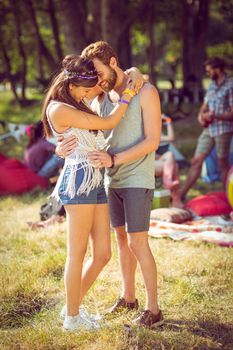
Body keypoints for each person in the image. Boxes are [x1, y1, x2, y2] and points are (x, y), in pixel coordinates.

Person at [57, 41, 163, 328]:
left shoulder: (145, 91)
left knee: (138, 242)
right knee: (121, 240)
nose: (99, 81)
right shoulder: (100, 100)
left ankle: (154, 310)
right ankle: (128, 297)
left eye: (102, 72)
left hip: (136, 178)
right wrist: (61, 146)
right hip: (109, 178)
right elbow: (80, 130)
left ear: (113, 62)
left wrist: (114, 158)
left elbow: (153, 141)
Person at [41, 54, 136, 331]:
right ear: (70, 85)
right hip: (79, 178)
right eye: (84, 89)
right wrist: (129, 94)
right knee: (77, 253)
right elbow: (108, 124)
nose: (89, 93)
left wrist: (135, 74)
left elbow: (108, 80)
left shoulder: (77, 98)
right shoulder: (59, 108)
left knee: (103, 253)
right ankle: (72, 318)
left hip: (95, 177)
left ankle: (70, 307)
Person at [180, 57, 233, 200]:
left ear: (218, 69)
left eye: (210, 71)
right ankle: (180, 195)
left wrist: (215, 115)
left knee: (223, 164)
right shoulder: (211, 85)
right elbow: (204, 107)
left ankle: (227, 198)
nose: (208, 73)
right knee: (196, 160)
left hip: (224, 130)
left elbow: (232, 113)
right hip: (209, 129)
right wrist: (201, 116)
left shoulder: (230, 85)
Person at [155, 115, 183, 208]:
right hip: (145, 163)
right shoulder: (143, 130)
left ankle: (168, 181)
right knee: (174, 165)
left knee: (170, 156)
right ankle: (176, 200)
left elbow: (170, 138)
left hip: (155, 161)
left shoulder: (154, 130)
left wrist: (168, 122)